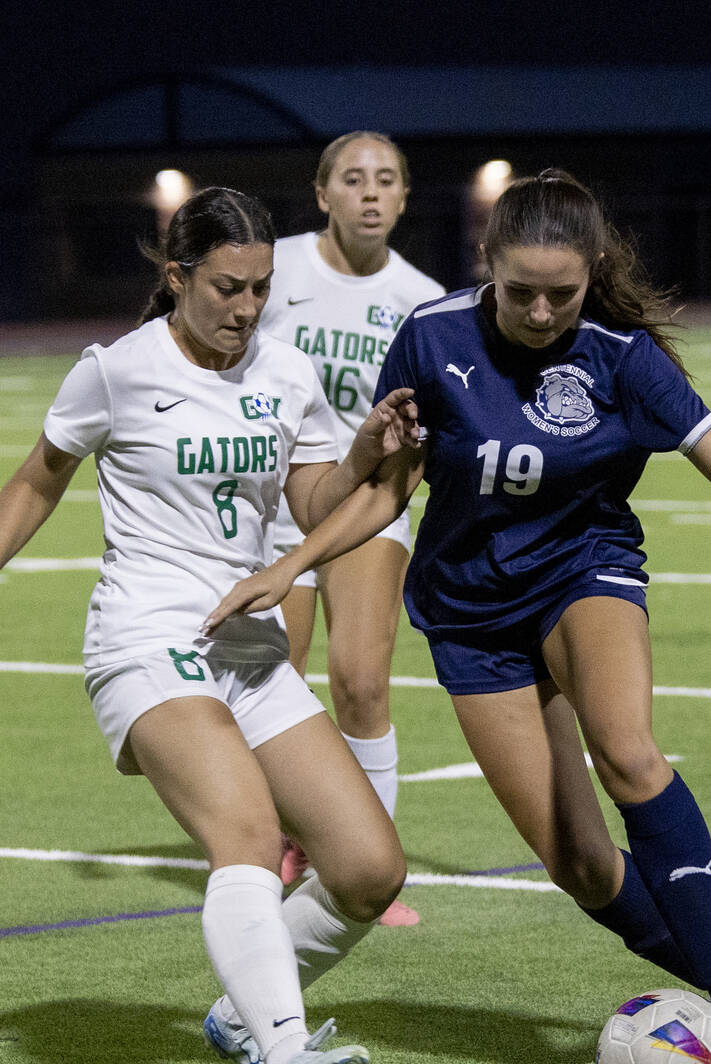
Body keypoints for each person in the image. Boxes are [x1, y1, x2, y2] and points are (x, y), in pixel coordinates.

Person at [202, 169, 711, 1064]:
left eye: (559, 293)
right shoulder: (431, 335)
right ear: (486, 262)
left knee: (629, 753)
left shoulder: (620, 353)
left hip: (583, 572)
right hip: (470, 612)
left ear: (593, 272)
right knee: (577, 864)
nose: (536, 310)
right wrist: (293, 564)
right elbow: (385, 488)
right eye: (518, 289)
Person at [0, 186, 426, 1064]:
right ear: (176, 276)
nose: (244, 309)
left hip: (251, 650)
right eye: (226, 288)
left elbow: (318, 504)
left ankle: (241, 1011)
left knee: (367, 870)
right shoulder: (117, 370)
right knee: (242, 835)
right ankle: (283, 1059)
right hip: (146, 641)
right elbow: (42, 472)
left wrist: (367, 451)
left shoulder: (284, 370)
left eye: (261, 290)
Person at [258, 131, 445, 926]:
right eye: (353, 179)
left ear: (404, 198)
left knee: (362, 681)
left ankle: (368, 869)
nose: (370, 193)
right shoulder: (275, 272)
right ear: (322, 193)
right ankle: (277, 844)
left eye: (386, 180)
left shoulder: (421, 300)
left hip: (367, 503)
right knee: (272, 682)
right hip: (271, 503)